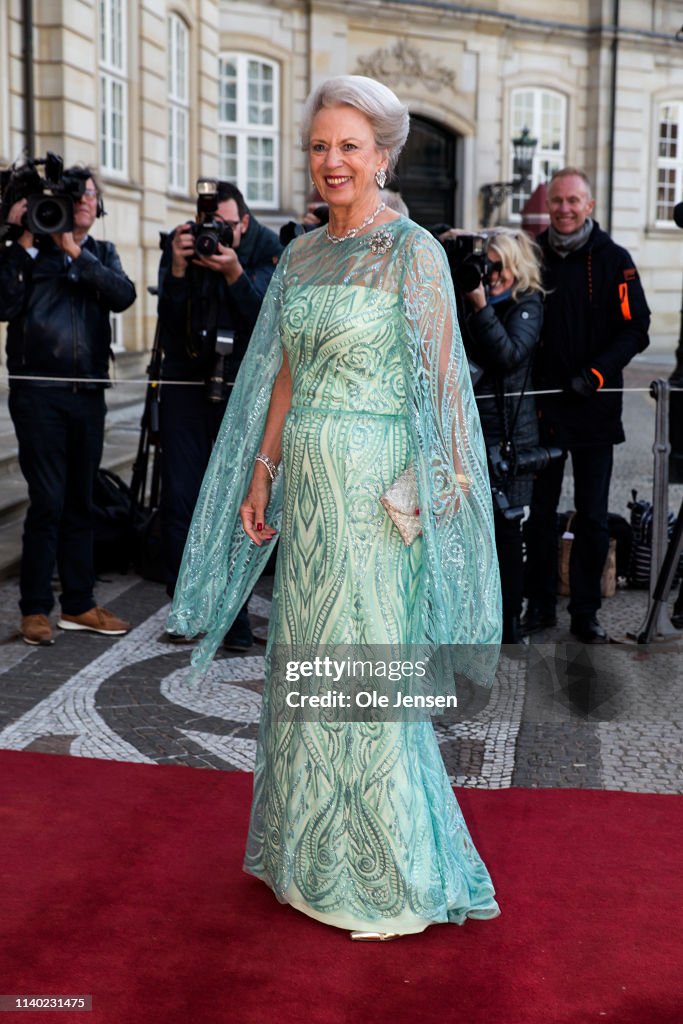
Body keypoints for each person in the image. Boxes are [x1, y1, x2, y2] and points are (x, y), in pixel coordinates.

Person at [169, 76, 501, 937]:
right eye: (320, 146)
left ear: (382, 155)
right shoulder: (304, 254)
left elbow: (442, 389)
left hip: (375, 502)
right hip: (311, 492)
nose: (331, 162)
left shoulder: (413, 252)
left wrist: (429, 489)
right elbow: (284, 371)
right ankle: (305, 850)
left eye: (349, 146)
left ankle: (385, 869)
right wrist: (261, 471)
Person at [0, 165, 136, 646]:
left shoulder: (100, 253)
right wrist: (21, 241)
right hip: (38, 395)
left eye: (90, 195)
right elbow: (3, 303)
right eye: (73, 194)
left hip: (88, 394)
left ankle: (78, 604)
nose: (82, 201)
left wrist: (77, 256)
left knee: (81, 500)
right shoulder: (26, 253)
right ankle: (35, 609)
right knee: (49, 501)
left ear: (98, 207)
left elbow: (123, 296)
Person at [523, 167, 650, 643]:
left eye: (574, 200)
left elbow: (637, 328)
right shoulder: (532, 254)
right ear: (549, 205)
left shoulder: (615, 259)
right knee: (538, 514)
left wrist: (596, 373)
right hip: (544, 411)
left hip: (595, 408)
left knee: (593, 516)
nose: (565, 209)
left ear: (589, 206)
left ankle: (584, 611)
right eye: (558, 201)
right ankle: (538, 605)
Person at [156, 180, 282, 649]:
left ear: (243, 224)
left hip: (243, 390)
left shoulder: (269, 250)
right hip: (187, 383)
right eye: (211, 224)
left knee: (236, 501)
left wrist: (233, 274)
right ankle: (185, 606)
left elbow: (267, 325)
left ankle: (236, 618)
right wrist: (176, 267)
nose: (214, 234)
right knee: (182, 498)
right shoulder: (183, 243)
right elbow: (169, 322)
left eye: (225, 226)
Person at [461, 228, 544, 644]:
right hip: (471, 428)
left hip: (510, 434)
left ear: (514, 268)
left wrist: (480, 307)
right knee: (472, 529)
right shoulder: (469, 296)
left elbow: (509, 355)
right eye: (485, 263)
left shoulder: (527, 304)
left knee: (508, 530)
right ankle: (476, 616)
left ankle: (511, 619)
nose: (488, 273)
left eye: (496, 265)